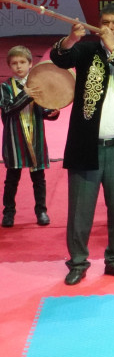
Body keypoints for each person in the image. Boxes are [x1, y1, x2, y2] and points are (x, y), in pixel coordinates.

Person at [50, 4, 114, 285]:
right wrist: (71, 39)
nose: (109, 27)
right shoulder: (86, 51)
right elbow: (59, 58)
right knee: (80, 211)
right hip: (86, 145)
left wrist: (112, 48)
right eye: (105, 22)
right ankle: (77, 262)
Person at [2, 46, 59, 228]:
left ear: (30, 64)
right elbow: (8, 109)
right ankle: (8, 212)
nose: (18, 66)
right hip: (14, 139)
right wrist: (26, 95)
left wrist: (51, 113)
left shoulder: (37, 85)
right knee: (12, 179)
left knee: (38, 178)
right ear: (9, 66)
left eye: (22, 62)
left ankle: (41, 211)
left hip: (36, 137)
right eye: (14, 63)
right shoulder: (5, 87)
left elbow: (43, 108)